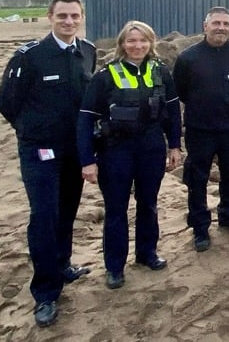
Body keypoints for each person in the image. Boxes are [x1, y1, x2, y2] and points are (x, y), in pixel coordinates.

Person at [0, 0, 97, 327]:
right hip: (40, 151)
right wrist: (33, 131)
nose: (68, 22)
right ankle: (45, 293)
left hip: (74, 150)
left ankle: (63, 264)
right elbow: (7, 103)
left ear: (81, 18)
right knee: (44, 216)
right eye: (62, 16)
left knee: (67, 211)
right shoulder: (31, 56)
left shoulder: (88, 52)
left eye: (74, 16)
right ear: (50, 17)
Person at [76, 20, 182, 290]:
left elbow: (172, 112)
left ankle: (147, 254)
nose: (138, 46)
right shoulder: (105, 75)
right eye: (132, 41)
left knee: (148, 204)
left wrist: (174, 145)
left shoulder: (161, 72)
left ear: (151, 43)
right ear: (122, 44)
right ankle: (114, 266)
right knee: (116, 209)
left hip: (150, 148)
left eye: (143, 40)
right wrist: (87, 160)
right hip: (115, 151)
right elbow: (86, 118)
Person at [173, 6, 229, 251]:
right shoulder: (188, 58)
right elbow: (181, 92)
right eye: (216, 23)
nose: (221, 28)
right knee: (197, 179)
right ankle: (200, 228)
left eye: (226, 24)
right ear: (205, 25)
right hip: (200, 130)